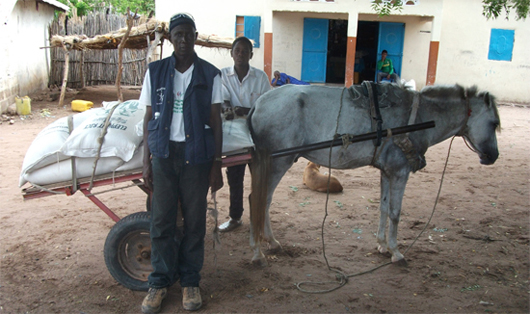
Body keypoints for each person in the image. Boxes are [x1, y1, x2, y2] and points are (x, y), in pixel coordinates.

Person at [139, 13, 223, 314]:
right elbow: (148, 118)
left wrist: (216, 164)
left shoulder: (210, 74)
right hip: (163, 156)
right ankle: (159, 283)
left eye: (188, 34)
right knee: (161, 221)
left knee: (194, 222)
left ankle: (190, 281)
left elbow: (215, 121)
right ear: (170, 39)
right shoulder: (156, 71)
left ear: (196, 37)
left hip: (197, 157)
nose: (184, 40)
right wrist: (145, 161)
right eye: (178, 35)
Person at [218, 36, 271, 232]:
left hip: (258, 135)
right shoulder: (222, 75)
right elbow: (223, 103)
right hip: (233, 137)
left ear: (251, 54)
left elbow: (266, 106)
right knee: (235, 177)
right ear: (231, 53)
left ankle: (259, 219)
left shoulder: (261, 78)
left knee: (260, 178)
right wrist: (236, 109)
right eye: (237, 51)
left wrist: (241, 110)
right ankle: (235, 217)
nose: (240, 54)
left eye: (245, 51)